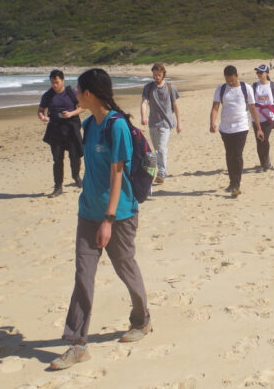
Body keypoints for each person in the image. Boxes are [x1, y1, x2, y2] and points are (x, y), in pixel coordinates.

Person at [51, 68, 151, 370]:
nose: (75, 93)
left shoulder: (115, 126)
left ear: (89, 94)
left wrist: (108, 219)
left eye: (78, 89)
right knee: (83, 276)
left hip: (117, 215)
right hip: (88, 213)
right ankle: (78, 344)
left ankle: (142, 319)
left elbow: (117, 174)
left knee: (125, 268)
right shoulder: (89, 125)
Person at [209, 65, 264, 197]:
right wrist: (212, 122)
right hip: (225, 128)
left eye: (232, 80)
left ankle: (236, 184)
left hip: (241, 127)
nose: (230, 83)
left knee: (237, 154)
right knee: (229, 154)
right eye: (228, 81)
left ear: (237, 76)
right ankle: (232, 182)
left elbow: (252, 108)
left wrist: (259, 128)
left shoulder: (246, 88)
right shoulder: (221, 89)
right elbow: (215, 107)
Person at [38, 69, 84, 197]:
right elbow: (41, 110)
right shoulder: (47, 95)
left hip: (71, 128)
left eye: (57, 82)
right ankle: (58, 187)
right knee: (57, 159)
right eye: (52, 82)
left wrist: (71, 113)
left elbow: (83, 107)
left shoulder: (72, 93)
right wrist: (42, 117)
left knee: (75, 156)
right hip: (55, 130)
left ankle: (76, 176)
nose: (54, 85)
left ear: (63, 80)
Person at [140, 63, 181, 184]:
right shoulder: (148, 87)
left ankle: (162, 171)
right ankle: (153, 171)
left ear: (163, 74)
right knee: (156, 149)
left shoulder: (170, 87)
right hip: (153, 123)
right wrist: (143, 117)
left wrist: (179, 123)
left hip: (166, 123)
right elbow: (143, 102)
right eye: (155, 74)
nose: (157, 77)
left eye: (159, 74)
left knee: (162, 148)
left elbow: (175, 105)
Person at [251, 64, 274, 171]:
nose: (259, 74)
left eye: (261, 72)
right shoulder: (253, 86)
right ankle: (263, 163)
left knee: (265, 139)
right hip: (256, 118)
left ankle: (266, 162)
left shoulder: (273, 86)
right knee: (259, 141)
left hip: (268, 117)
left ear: (267, 73)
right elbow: (251, 103)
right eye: (257, 72)